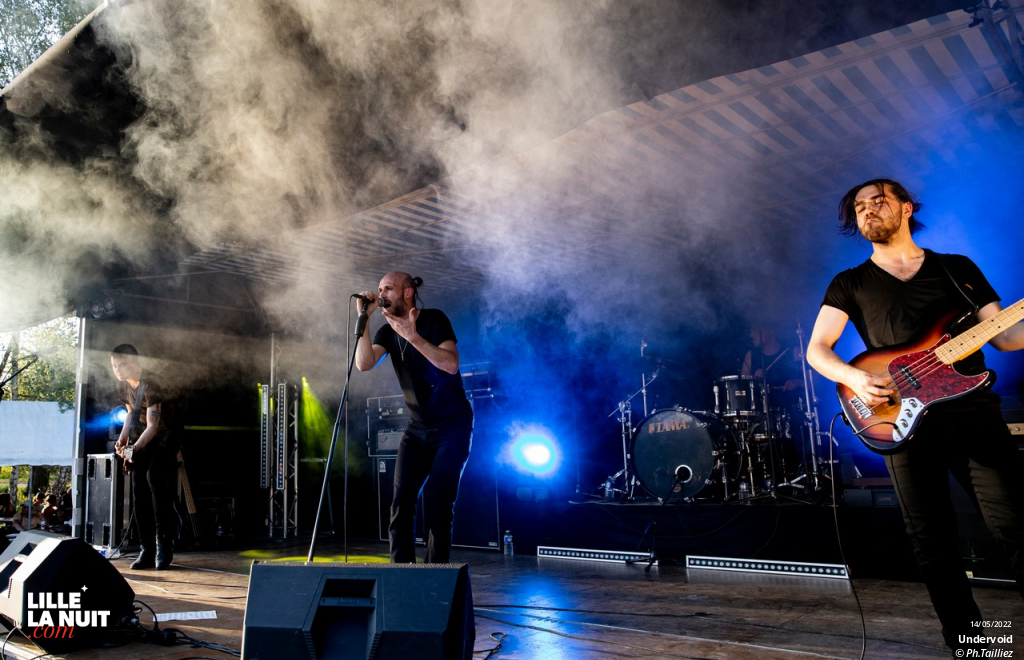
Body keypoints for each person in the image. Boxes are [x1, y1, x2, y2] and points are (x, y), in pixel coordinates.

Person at [806, 178, 1024, 652]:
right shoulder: (849, 283)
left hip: (973, 414)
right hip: (900, 420)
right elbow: (817, 349)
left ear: (906, 208)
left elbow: (1006, 336)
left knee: (1016, 524)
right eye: (859, 207)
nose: (867, 211)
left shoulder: (956, 269)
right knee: (932, 541)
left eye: (877, 201)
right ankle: (974, 646)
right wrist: (855, 377)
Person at [355, 272, 473, 564]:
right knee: (401, 502)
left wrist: (412, 336)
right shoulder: (387, 332)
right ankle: (401, 572)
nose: (382, 293)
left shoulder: (434, 319)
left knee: (438, 502)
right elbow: (364, 363)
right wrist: (364, 319)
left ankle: (435, 577)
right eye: (380, 289)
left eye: (388, 288)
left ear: (407, 293)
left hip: (452, 427)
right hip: (417, 428)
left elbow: (450, 364)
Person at [110, 344, 179, 570]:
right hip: (144, 437)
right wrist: (123, 438)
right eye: (114, 366)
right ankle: (146, 549)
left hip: (164, 436)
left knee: (155, 480)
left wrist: (134, 449)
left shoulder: (152, 384)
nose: (117, 370)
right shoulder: (123, 386)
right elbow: (131, 413)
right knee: (138, 488)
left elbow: (153, 425)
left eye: (121, 365)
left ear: (134, 362)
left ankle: (163, 546)